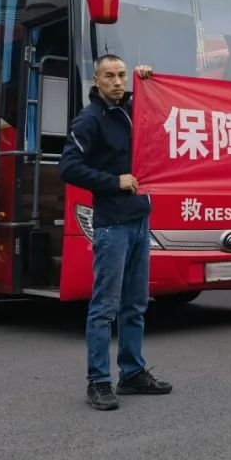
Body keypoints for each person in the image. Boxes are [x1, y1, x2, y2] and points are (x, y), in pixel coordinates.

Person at [59, 54, 173, 410]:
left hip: (140, 220)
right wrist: (113, 181)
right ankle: (98, 381)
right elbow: (68, 167)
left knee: (135, 304)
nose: (117, 82)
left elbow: (160, 114)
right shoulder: (89, 119)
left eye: (122, 75)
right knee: (104, 307)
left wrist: (146, 80)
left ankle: (132, 372)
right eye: (109, 76)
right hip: (112, 226)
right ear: (96, 81)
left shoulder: (131, 110)